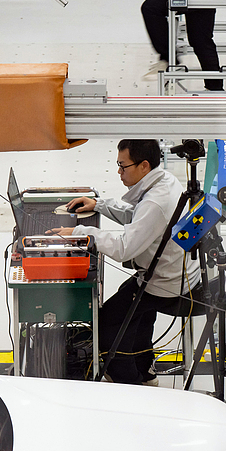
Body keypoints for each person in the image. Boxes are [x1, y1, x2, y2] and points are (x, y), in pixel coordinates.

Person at [47, 140, 201, 385]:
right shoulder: (164, 182)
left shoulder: (155, 202)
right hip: (175, 273)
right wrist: (100, 205)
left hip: (166, 283)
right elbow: (138, 217)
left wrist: (81, 232)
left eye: (123, 166)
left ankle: (128, 383)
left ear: (144, 166)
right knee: (128, 300)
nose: (119, 172)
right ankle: (145, 371)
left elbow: (123, 247)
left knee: (108, 321)